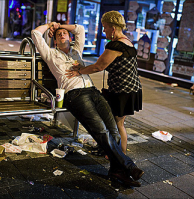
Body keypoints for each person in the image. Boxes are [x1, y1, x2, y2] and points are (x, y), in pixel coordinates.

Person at [31, 22, 144, 187]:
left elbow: (80, 29)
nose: (62, 35)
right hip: (74, 95)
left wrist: (60, 25)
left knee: (114, 131)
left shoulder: (76, 51)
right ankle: (128, 166)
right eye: (58, 34)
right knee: (101, 131)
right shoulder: (50, 54)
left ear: (69, 38)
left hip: (92, 91)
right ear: (54, 41)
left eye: (64, 33)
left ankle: (116, 171)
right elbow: (35, 33)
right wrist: (50, 25)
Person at [66, 11, 142, 155]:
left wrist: (80, 71)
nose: (103, 30)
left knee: (117, 125)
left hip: (122, 91)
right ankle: (111, 152)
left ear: (113, 28)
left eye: (105, 27)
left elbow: (98, 66)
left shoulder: (116, 46)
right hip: (130, 89)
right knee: (115, 123)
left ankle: (121, 158)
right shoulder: (128, 42)